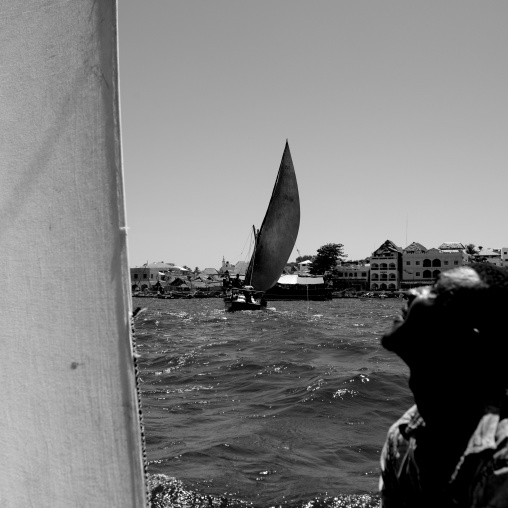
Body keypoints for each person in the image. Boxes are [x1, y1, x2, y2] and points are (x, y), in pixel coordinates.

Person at [379, 264, 508, 508]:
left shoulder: (503, 460)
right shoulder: (404, 433)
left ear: (469, 339)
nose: (412, 291)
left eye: (436, 290)